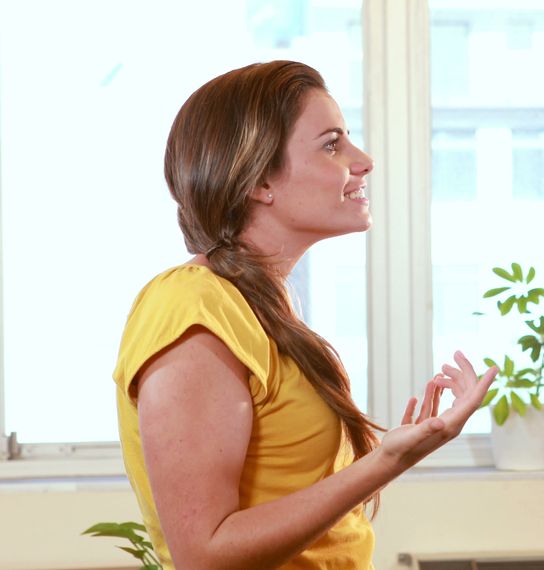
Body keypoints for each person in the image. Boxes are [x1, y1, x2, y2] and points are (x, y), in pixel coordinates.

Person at [112, 60, 496, 569]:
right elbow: (205, 555)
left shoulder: (263, 307)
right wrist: (387, 460)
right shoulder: (192, 308)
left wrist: (394, 456)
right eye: (332, 144)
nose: (364, 161)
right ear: (259, 181)